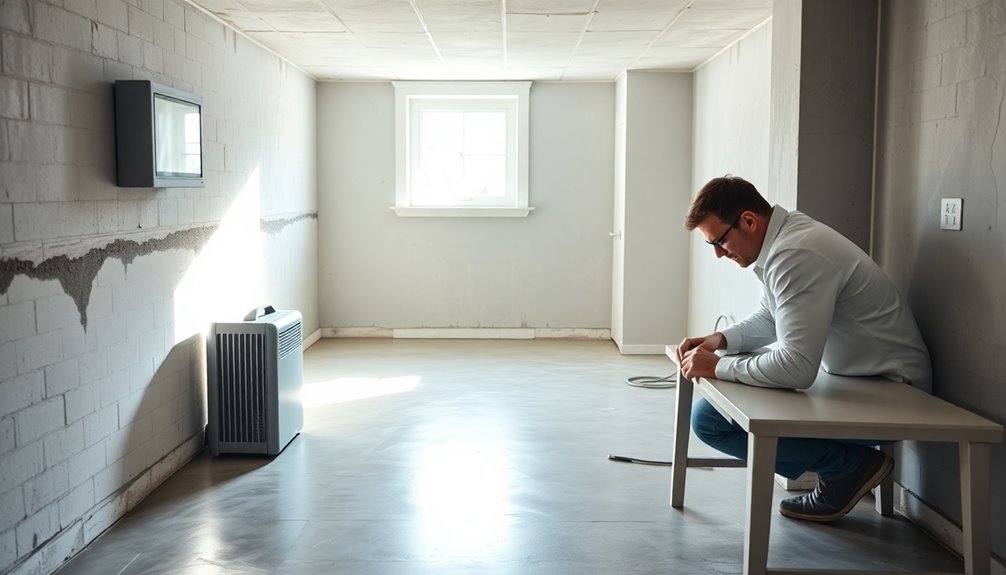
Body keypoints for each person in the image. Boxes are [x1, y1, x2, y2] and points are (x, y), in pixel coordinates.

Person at [675, 175, 931, 522]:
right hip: (858, 379)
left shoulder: (796, 253)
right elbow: (772, 317)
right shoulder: (784, 239)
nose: (719, 254)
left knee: (710, 421)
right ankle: (849, 468)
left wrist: (716, 367)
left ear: (748, 220)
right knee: (709, 415)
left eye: (719, 241)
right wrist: (720, 341)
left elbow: (797, 367)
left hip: (895, 393)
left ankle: (849, 468)